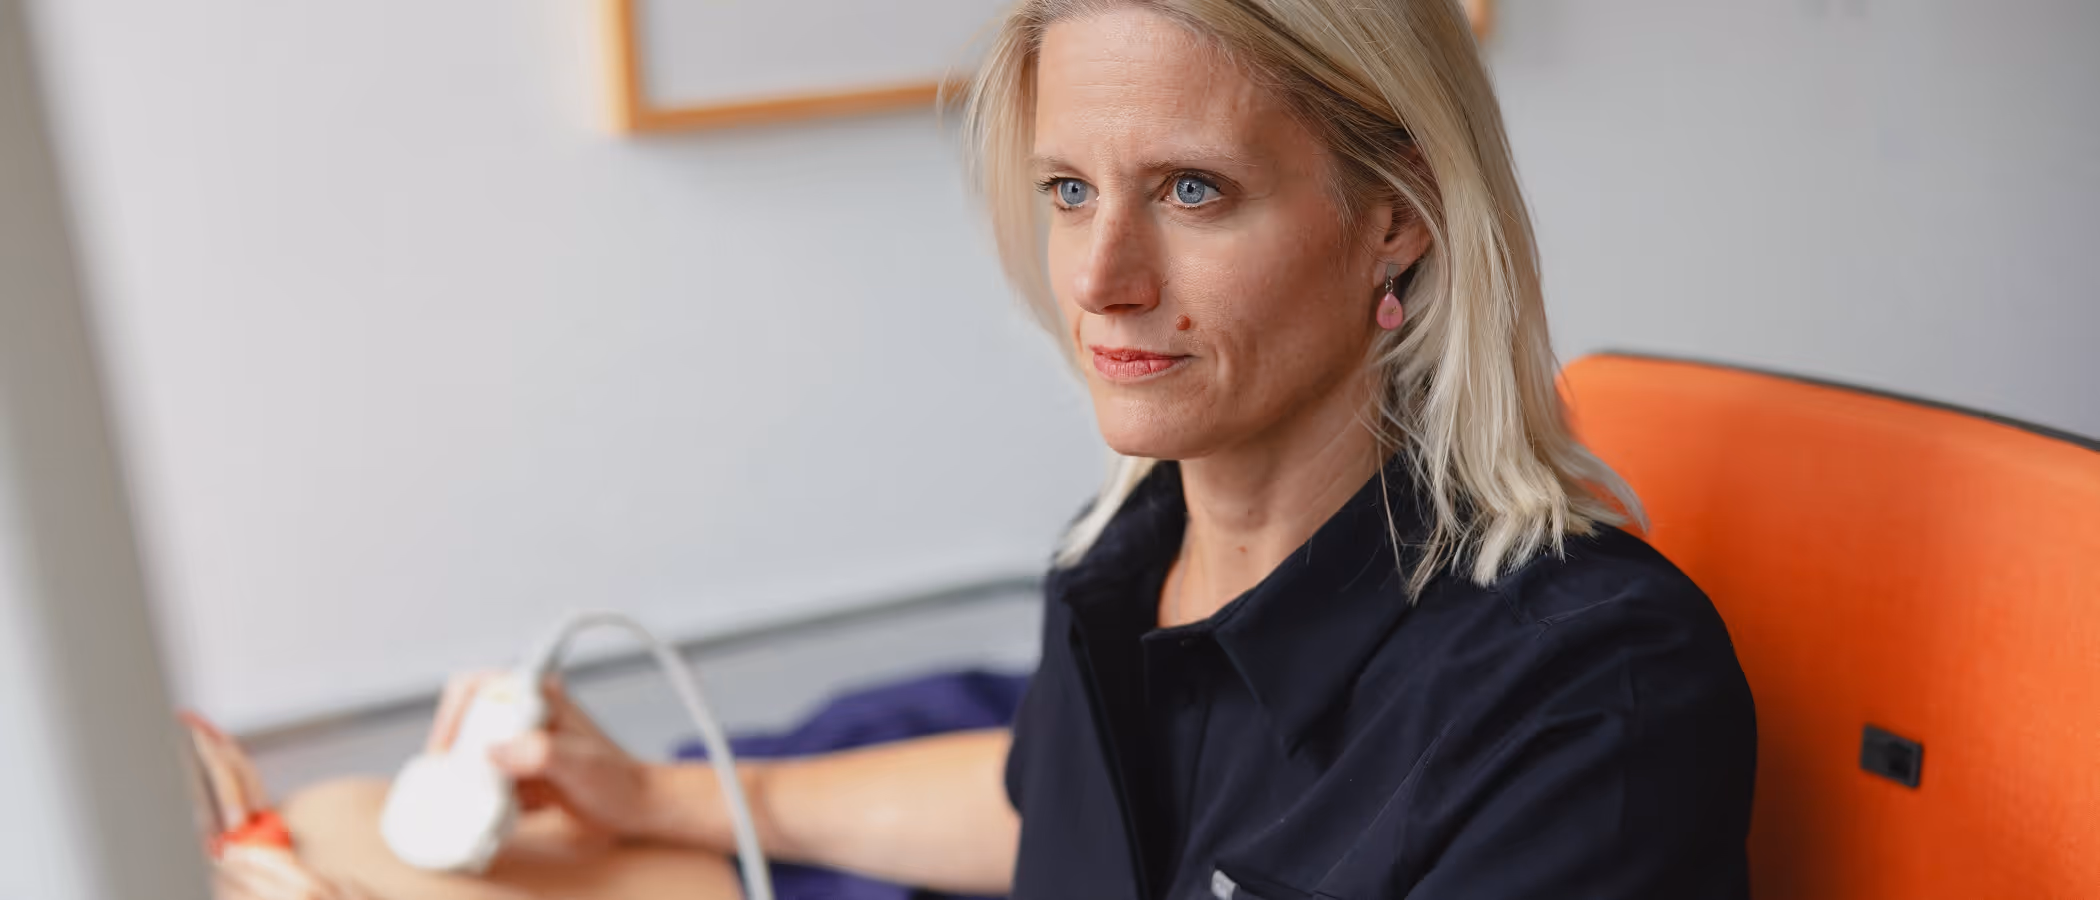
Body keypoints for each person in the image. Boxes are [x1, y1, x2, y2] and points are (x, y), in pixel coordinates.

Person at [207, 1, 1757, 897]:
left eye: (1194, 192)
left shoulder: (1586, 694)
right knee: (350, 848)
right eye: (1070, 190)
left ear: (1397, 217)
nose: (1101, 280)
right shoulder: (1130, 550)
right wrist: (670, 799)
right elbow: (1054, 805)